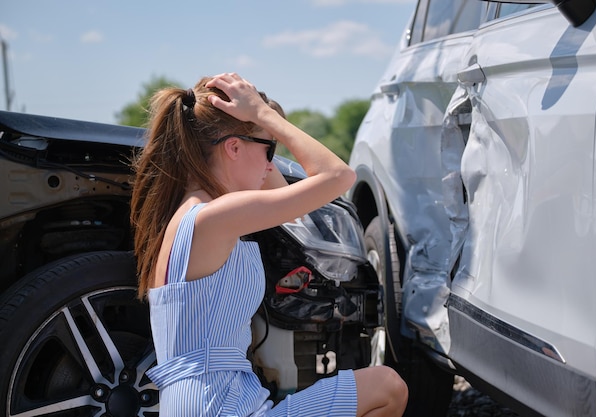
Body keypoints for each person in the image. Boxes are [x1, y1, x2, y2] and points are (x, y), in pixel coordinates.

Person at [130, 72, 408, 417]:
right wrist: (262, 116)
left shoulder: (195, 213)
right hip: (217, 408)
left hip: (214, 404)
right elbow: (339, 176)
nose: (270, 163)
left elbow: (280, 193)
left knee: (385, 386)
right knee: (387, 387)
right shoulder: (215, 216)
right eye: (268, 150)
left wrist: (261, 126)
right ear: (233, 148)